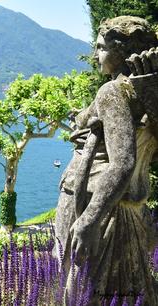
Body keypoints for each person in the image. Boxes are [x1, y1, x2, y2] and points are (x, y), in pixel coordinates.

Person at [54, 16, 158, 304]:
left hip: (94, 202)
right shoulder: (143, 92)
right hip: (128, 208)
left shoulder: (113, 91)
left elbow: (122, 162)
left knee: (85, 290)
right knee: (128, 289)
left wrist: (88, 220)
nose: (95, 54)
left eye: (101, 47)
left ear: (121, 52)